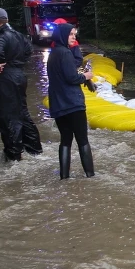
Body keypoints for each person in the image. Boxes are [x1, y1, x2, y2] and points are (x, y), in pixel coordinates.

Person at [0, 7, 43, 161]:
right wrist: (18, 63)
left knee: (7, 116)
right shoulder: (18, 35)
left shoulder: (1, 36)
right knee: (22, 112)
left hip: (6, 79)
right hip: (19, 76)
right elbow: (29, 49)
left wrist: (1, 63)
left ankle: (14, 154)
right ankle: (34, 148)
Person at [48, 23, 96, 178]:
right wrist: (86, 77)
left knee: (65, 141)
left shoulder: (53, 53)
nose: (74, 37)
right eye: (70, 34)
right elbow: (72, 77)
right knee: (82, 140)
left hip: (58, 105)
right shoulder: (66, 53)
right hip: (73, 104)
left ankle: (64, 177)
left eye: (75, 34)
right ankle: (90, 176)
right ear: (62, 35)